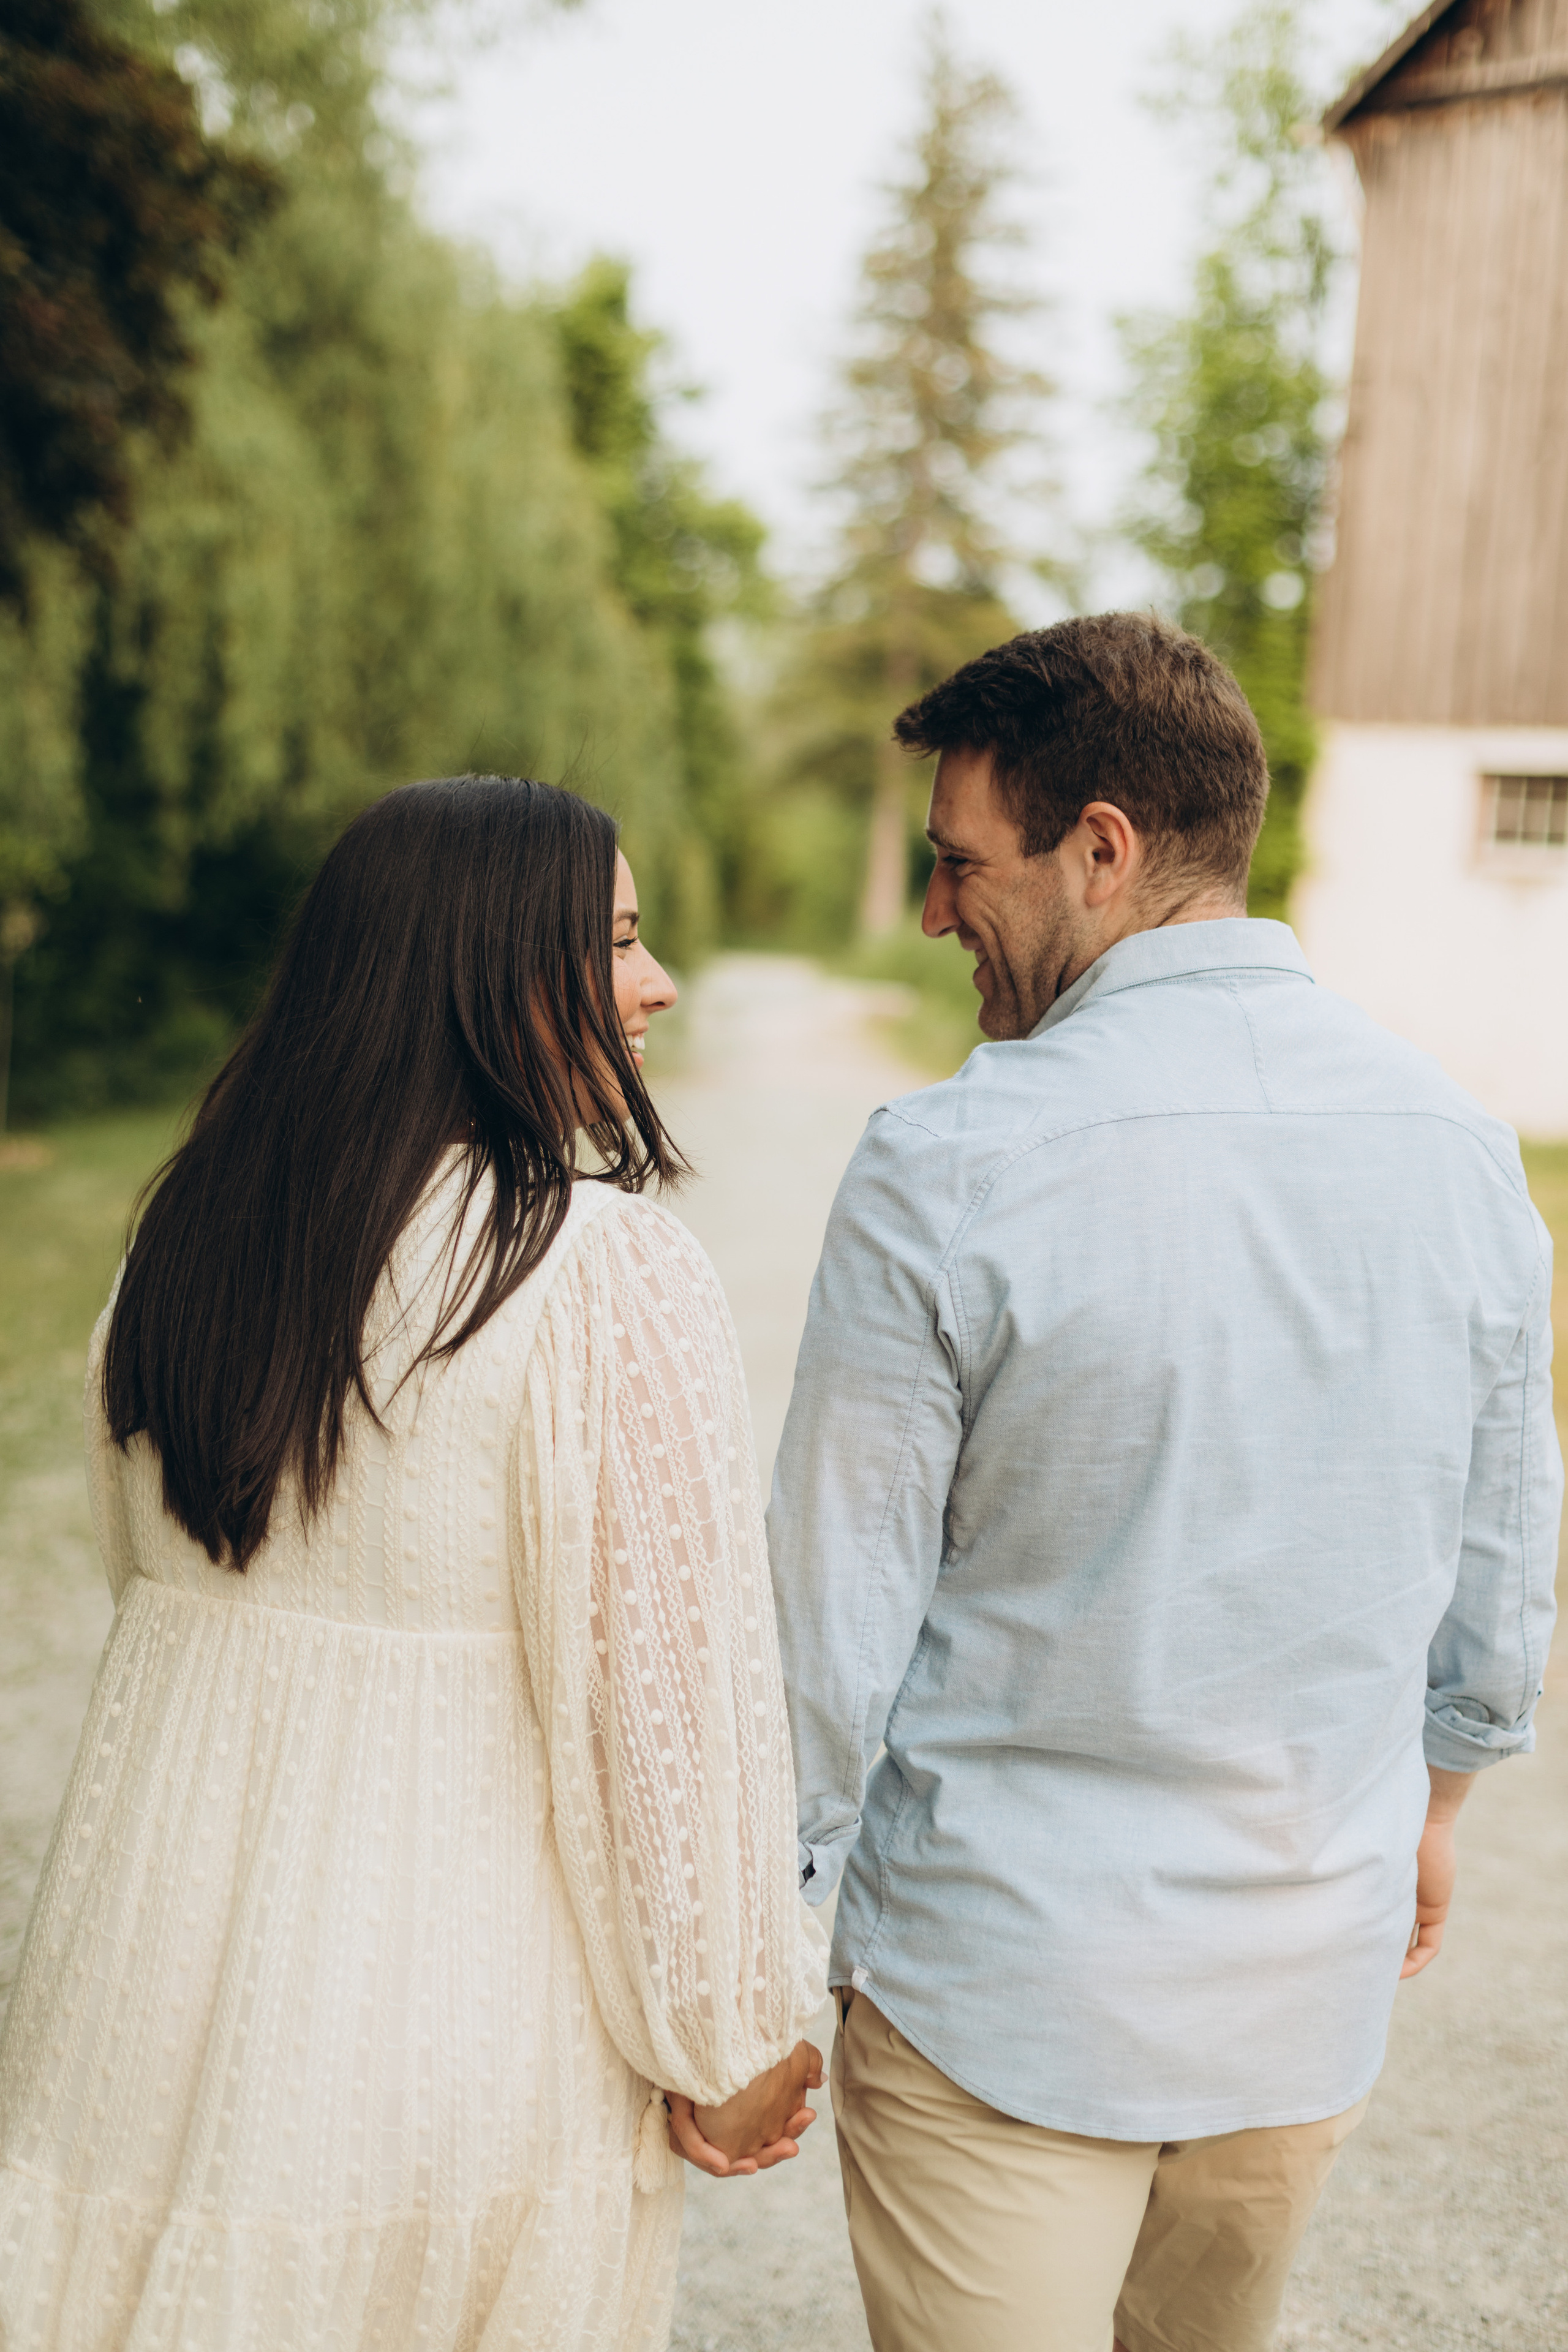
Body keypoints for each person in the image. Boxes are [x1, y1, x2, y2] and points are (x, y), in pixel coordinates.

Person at [769, 614, 1560, 2352]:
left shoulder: (948, 1161)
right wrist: (1439, 1806)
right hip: (1303, 1984)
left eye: (959, 863)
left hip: (999, 1987)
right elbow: (1504, 1567)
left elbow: (832, 1622)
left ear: (1103, 850)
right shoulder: (1459, 1147)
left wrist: (761, 1937)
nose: (931, 914)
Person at [0, 776, 825, 2352]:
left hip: (147, 1980)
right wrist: (727, 2034)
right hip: (452, 2011)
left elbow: (146, 1585)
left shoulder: (184, 1241)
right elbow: (671, 1717)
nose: (655, 987)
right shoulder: (599, 1270)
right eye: (619, 945)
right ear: (479, 975)